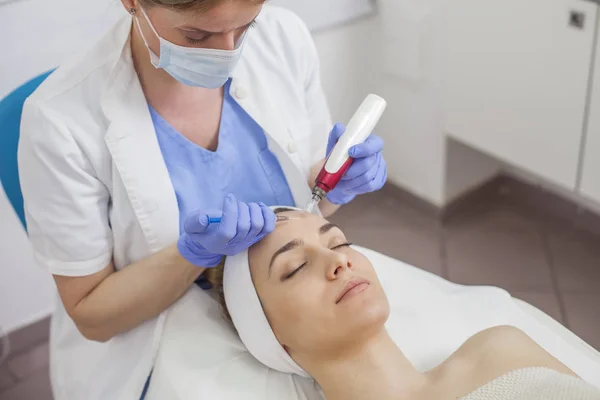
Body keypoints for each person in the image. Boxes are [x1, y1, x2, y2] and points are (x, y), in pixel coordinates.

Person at [16, 1, 388, 399]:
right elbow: (92, 317)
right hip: (154, 347)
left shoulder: (284, 37)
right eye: (196, 35)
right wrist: (191, 254)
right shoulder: (59, 121)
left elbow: (309, 206)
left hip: (289, 324)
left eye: (245, 27)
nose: (226, 51)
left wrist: (334, 184)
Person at [216, 208, 600, 400]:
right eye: (296, 267)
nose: (339, 261)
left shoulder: (501, 349)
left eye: (338, 242)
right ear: (271, 336)